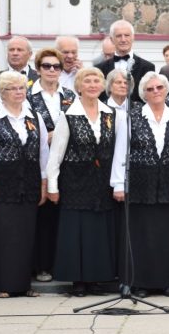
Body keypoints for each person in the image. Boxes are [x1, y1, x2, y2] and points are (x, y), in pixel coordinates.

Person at [0, 71, 48, 298]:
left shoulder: (35, 118)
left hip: (29, 184)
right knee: (4, 236)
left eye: (22, 88)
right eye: (13, 88)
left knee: (26, 235)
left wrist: (44, 183)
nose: (19, 92)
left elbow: (43, 152)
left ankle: (23, 284)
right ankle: (4, 284)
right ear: (3, 93)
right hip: (2, 185)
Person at [46, 67, 122, 297]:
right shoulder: (68, 115)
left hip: (101, 183)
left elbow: (117, 151)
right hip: (75, 182)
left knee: (98, 231)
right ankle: (78, 280)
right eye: (87, 81)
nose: (92, 85)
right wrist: (52, 186)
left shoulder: (111, 114)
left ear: (102, 86)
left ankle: (96, 277)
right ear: (79, 86)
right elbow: (56, 154)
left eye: (96, 81)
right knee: (77, 231)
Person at [110, 71, 169, 297]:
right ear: (143, 93)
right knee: (142, 236)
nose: (155, 92)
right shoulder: (131, 117)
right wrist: (118, 184)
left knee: (168, 236)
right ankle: (140, 283)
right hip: (140, 185)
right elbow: (121, 150)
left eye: (159, 88)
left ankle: (168, 282)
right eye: (150, 89)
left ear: (166, 90)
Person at [27, 48, 76, 283]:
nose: (52, 70)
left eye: (56, 66)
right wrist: (47, 134)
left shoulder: (69, 95)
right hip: (38, 162)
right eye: (47, 66)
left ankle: (60, 264)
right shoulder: (28, 95)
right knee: (42, 217)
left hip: (66, 164)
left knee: (61, 217)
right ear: (38, 69)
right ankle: (41, 265)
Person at [95, 20, 157, 104]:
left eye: (127, 35)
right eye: (119, 36)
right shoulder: (99, 68)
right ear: (112, 39)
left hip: (137, 114)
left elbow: (149, 95)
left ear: (133, 37)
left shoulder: (147, 67)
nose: (123, 39)